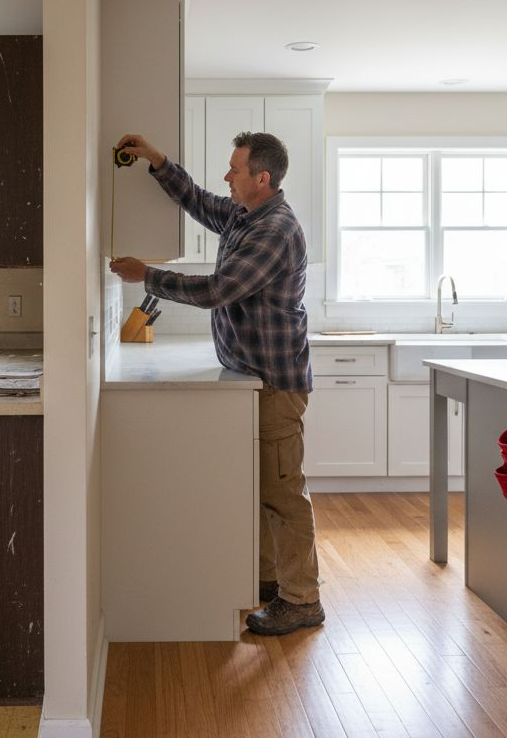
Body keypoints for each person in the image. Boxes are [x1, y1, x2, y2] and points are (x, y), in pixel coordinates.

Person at [108, 131, 323, 636]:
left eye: (235, 169)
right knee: (264, 488)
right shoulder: (246, 215)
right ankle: (271, 582)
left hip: (275, 382)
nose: (227, 176)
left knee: (283, 493)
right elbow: (199, 201)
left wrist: (147, 276)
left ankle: (302, 599)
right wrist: (157, 161)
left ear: (262, 178)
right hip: (255, 375)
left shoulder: (275, 230)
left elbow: (219, 290)